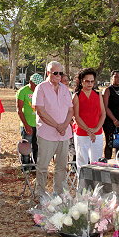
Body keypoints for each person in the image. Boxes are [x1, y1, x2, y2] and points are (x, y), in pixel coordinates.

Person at [32, 61, 74, 199]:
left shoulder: (65, 89)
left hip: (64, 134)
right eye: (55, 73)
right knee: (43, 167)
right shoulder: (41, 88)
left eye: (60, 73)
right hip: (47, 133)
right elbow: (41, 111)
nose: (58, 76)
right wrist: (57, 126)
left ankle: (59, 194)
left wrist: (64, 125)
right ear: (48, 73)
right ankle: (40, 194)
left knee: (61, 167)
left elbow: (70, 110)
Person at [72, 68, 106, 173]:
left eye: (92, 81)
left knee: (97, 163)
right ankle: (82, 187)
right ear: (81, 81)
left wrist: (96, 129)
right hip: (82, 133)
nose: (89, 84)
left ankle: (96, 187)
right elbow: (76, 116)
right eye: (87, 81)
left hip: (97, 133)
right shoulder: (76, 96)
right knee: (82, 162)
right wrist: (88, 130)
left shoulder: (98, 94)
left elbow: (103, 114)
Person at [17, 73, 44, 166]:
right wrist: (26, 125)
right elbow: (19, 110)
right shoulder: (22, 91)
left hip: (39, 124)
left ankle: (35, 166)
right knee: (26, 147)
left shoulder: (41, 91)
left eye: (38, 85)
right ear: (30, 82)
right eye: (35, 85)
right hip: (27, 124)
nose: (36, 87)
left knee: (37, 146)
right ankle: (25, 166)